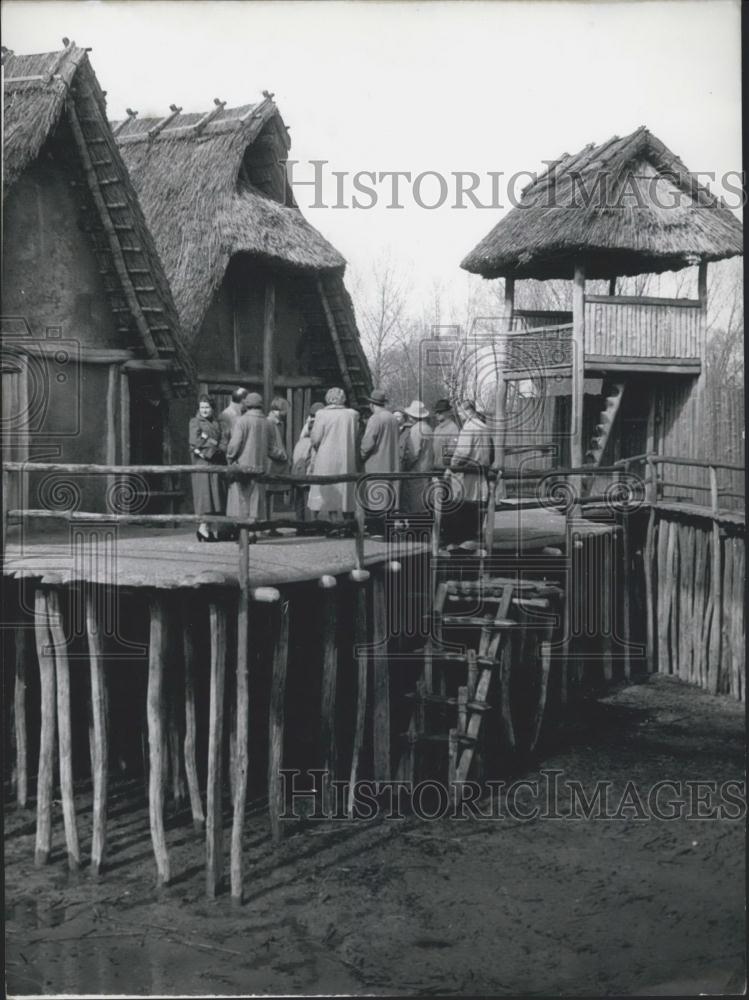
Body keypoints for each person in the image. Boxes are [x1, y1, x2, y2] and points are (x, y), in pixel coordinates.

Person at [226, 393, 286, 527]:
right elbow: (271, 448)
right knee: (256, 500)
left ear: (247, 404)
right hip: (260, 467)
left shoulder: (241, 421)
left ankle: (244, 534)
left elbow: (234, 445)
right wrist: (282, 455)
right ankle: (253, 530)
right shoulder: (267, 423)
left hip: (242, 467)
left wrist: (230, 457)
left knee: (242, 499)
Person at [307, 387, 359, 521]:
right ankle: (347, 522)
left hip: (326, 456)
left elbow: (315, 438)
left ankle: (330, 521)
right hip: (346, 456)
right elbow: (356, 435)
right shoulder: (352, 415)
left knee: (326, 488)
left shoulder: (321, 414)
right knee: (346, 488)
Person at [447, 399, 492, 543]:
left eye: (460, 412)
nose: (459, 415)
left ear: (467, 411)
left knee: (463, 505)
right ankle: (474, 537)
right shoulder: (484, 427)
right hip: (481, 471)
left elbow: (463, 451)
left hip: (468, 472)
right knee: (477, 505)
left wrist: (452, 466)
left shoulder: (469, 428)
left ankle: (461, 540)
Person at [360, 387, 400, 533]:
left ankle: (376, 530)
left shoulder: (375, 418)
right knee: (389, 496)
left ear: (371, 404)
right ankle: (388, 528)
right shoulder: (393, 418)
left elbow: (368, 443)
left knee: (375, 495)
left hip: (376, 462)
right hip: (392, 461)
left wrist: (361, 455)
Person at [188, 395, 226, 542]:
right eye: (202, 407)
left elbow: (222, 441)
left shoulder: (217, 423)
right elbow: (195, 441)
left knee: (214, 497)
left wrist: (209, 441)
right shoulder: (195, 422)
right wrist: (211, 444)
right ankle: (202, 528)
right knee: (203, 496)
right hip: (202, 462)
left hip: (216, 462)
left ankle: (208, 529)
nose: (204, 410)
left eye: (207, 407)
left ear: (212, 408)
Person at [400, 400, 434, 514]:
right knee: (424, 502)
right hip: (427, 469)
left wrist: (405, 466)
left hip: (416, 472)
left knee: (414, 503)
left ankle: (415, 528)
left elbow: (413, 454)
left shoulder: (416, 430)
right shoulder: (428, 428)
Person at [292, 401, 323, 521]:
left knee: (300, 499)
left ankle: (300, 521)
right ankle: (310, 522)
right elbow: (313, 459)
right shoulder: (311, 440)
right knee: (309, 498)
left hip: (298, 471)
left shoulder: (301, 441)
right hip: (307, 471)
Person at [266, 396, 290, 522]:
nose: (286, 413)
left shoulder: (280, 423)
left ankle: (269, 523)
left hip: (277, 462)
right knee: (267, 494)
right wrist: (281, 454)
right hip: (271, 463)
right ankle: (265, 523)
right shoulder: (269, 422)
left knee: (271, 495)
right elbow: (268, 445)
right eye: (285, 410)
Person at [432, 398, 461, 470]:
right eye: (436, 412)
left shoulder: (453, 429)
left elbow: (453, 452)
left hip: (445, 470)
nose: (437, 414)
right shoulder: (437, 429)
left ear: (448, 412)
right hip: (435, 468)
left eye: (440, 412)